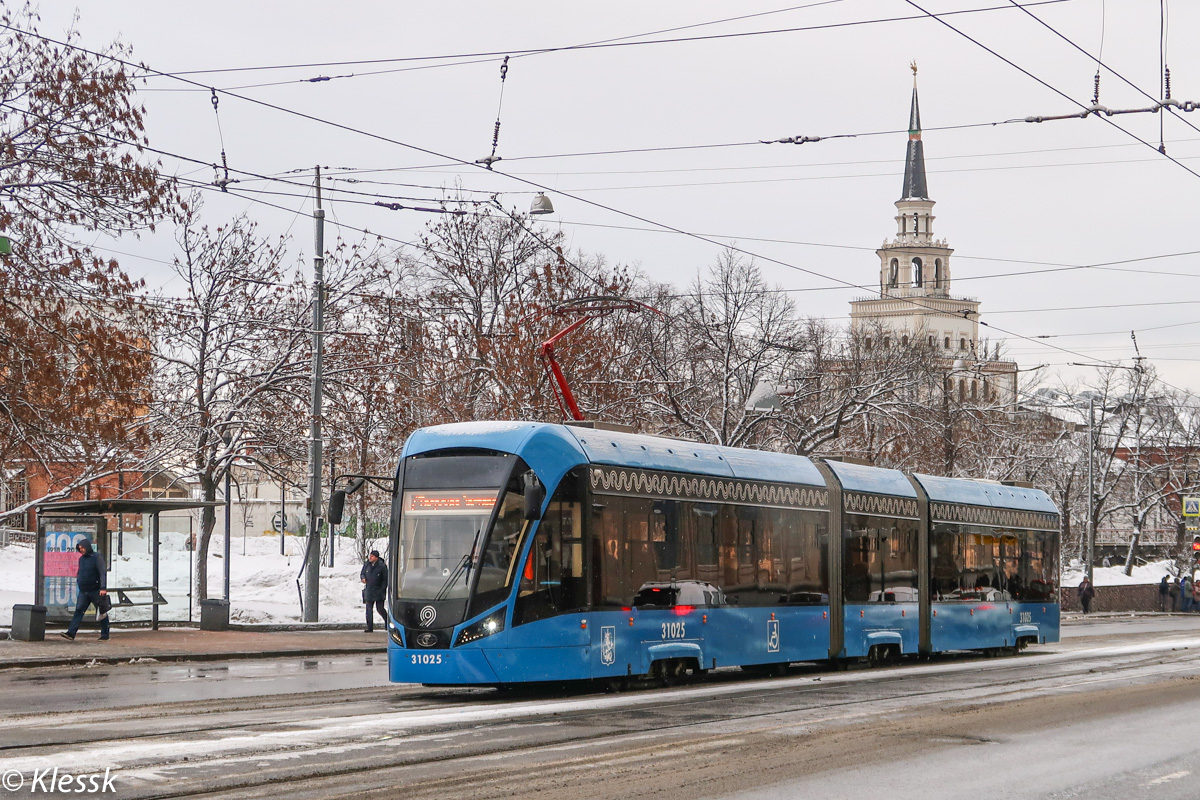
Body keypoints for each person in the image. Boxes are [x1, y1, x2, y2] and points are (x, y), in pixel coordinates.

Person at [59, 539, 110, 641]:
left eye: (82, 548)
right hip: (84, 590)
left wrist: (103, 588)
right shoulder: (81, 559)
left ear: (87, 547)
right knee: (79, 611)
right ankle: (71, 633)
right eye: (80, 548)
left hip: (95, 590)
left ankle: (105, 634)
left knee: (102, 611)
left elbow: (102, 573)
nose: (81, 550)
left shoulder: (97, 557)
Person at [360, 549, 388, 633]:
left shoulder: (382, 566)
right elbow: (362, 573)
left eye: (372, 556)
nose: (370, 557)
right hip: (369, 589)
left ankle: (387, 622)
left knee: (380, 608)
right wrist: (363, 578)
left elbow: (385, 579)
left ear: (376, 557)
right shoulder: (367, 564)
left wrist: (383, 588)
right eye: (370, 556)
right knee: (368, 609)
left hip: (379, 590)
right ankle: (370, 627)